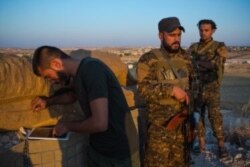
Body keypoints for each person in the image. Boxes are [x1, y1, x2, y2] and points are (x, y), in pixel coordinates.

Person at [31, 46, 134, 167]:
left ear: (56, 64)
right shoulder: (78, 74)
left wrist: (67, 126)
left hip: (117, 153)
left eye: (48, 76)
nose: (51, 81)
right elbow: (72, 95)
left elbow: (100, 123)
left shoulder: (92, 70)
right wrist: (48, 101)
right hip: (98, 148)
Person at [136, 17, 194, 167]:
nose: (176, 39)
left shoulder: (187, 58)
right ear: (160, 36)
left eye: (179, 35)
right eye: (172, 35)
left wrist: (196, 125)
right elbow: (144, 88)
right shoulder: (149, 59)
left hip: (183, 129)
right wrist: (171, 90)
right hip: (160, 130)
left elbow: (194, 88)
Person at [189, 19, 228, 158]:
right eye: (201, 30)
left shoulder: (219, 46)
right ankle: (201, 146)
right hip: (196, 89)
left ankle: (221, 146)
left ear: (213, 31)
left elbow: (215, 64)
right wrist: (202, 64)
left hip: (212, 88)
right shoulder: (193, 47)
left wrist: (198, 64)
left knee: (215, 116)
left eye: (206, 30)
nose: (203, 32)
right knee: (197, 118)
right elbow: (188, 65)